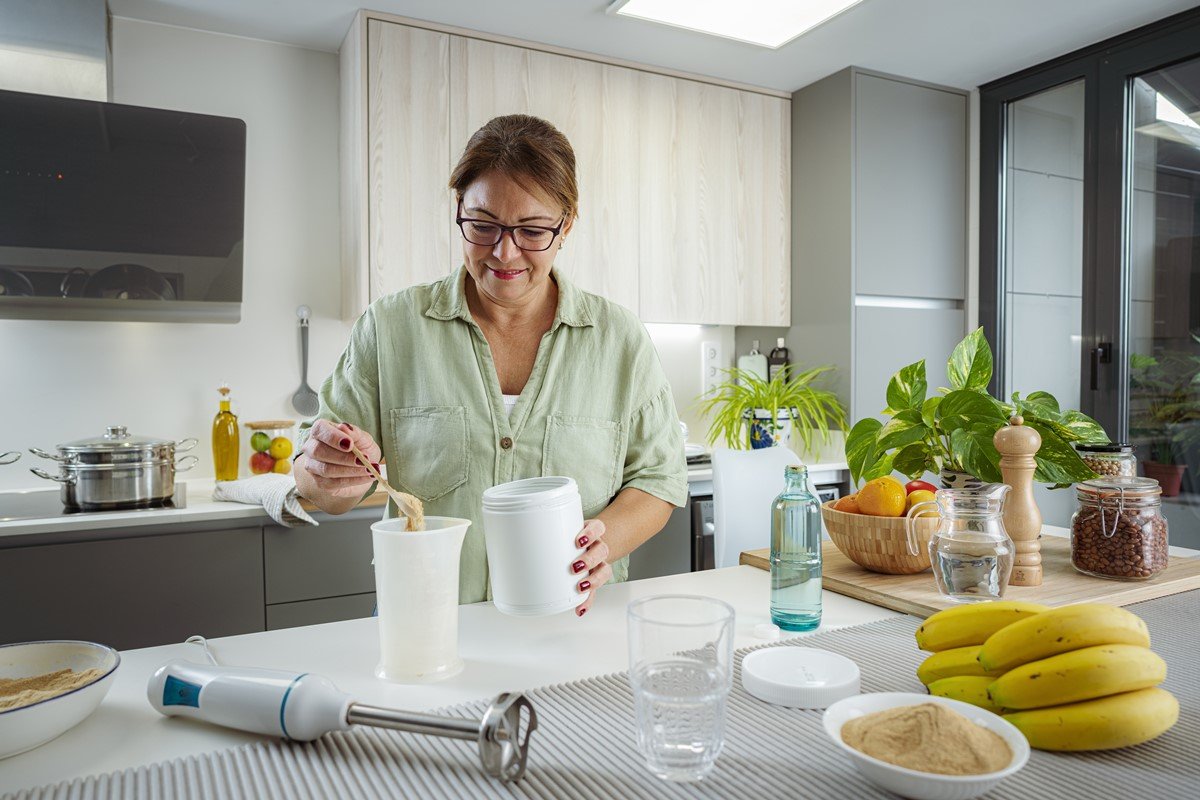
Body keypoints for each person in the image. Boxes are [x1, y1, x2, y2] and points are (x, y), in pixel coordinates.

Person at [295, 114, 687, 617]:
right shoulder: (391, 328)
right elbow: (319, 483)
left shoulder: (620, 340)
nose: (505, 252)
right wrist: (328, 476)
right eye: (483, 226)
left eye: (531, 230)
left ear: (566, 224)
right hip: (428, 623)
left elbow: (658, 480)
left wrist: (603, 542)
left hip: (576, 627)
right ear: (459, 208)